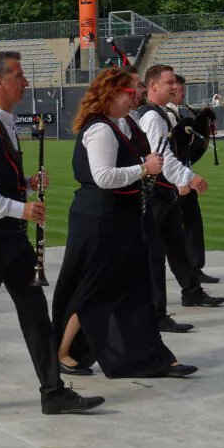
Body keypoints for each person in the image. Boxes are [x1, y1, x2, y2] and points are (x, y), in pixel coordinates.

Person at [0, 52, 104, 417]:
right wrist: (19, 207)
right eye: (19, 76)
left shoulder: (3, 124)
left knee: (35, 313)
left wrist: (21, 185)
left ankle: (53, 391)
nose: (25, 82)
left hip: (9, 236)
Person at [51, 69, 197, 379]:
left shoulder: (123, 123)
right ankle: (62, 351)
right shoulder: (102, 129)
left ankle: (151, 357)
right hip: (102, 218)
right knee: (94, 287)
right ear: (116, 93)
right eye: (135, 90)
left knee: (132, 288)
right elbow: (103, 177)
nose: (140, 94)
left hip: (120, 216)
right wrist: (144, 168)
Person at [139, 65, 224, 333]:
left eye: (176, 82)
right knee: (154, 254)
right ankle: (156, 312)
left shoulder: (159, 114)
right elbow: (161, 157)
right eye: (170, 83)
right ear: (153, 86)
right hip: (156, 192)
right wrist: (188, 178)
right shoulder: (153, 117)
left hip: (164, 191)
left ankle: (191, 291)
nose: (176, 87)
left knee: (175, 244)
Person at [170, 74, 219, 286]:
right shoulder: (161, 116)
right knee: (181, 227)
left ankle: (193, 272)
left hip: (182, 174)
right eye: (180, 91)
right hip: (173, 179)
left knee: (192, 223)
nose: (183, 95)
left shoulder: (175, 114)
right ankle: (190, 276)